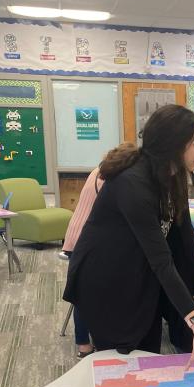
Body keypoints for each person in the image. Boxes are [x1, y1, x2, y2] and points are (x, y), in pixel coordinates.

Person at [63, 105, 194, 381]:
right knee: (122, 370)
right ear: (173, 144)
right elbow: (161, 259)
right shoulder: (132, 183)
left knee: (148, 357)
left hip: (138, 275)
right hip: (105, 284)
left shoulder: (171, 176)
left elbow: (183, 239)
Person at [61, 143, 134, 359]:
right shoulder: (109, 181)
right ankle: (84, 345)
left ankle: (84, 341)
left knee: (81, 294)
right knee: (84, 297)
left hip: (77, 235)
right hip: (87, 240)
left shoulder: (99, 171)